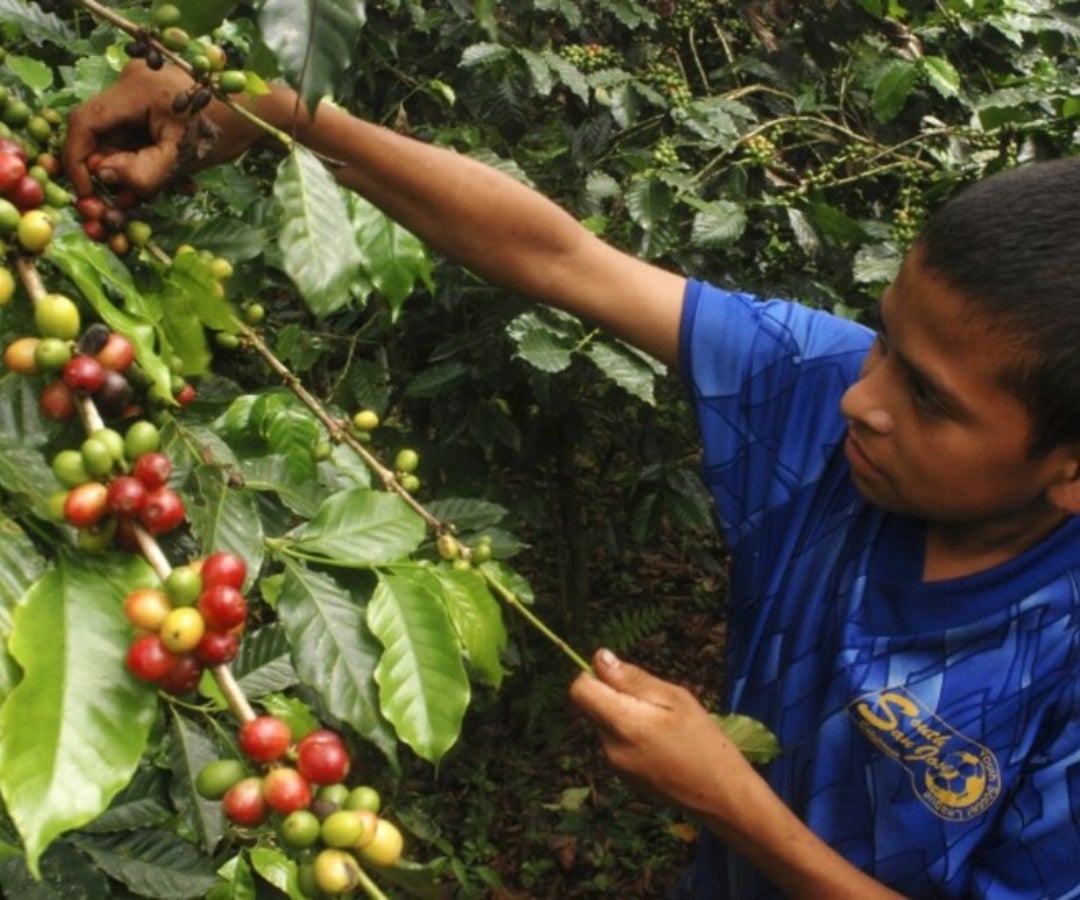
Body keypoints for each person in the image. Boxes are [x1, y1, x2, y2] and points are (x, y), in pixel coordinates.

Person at [64, 61, 1080, 898]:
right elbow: (557, 257)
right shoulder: (825, 389)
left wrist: (735, 805)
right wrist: (270, 110)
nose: (864, 396)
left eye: (928, 398)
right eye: (885, 338)